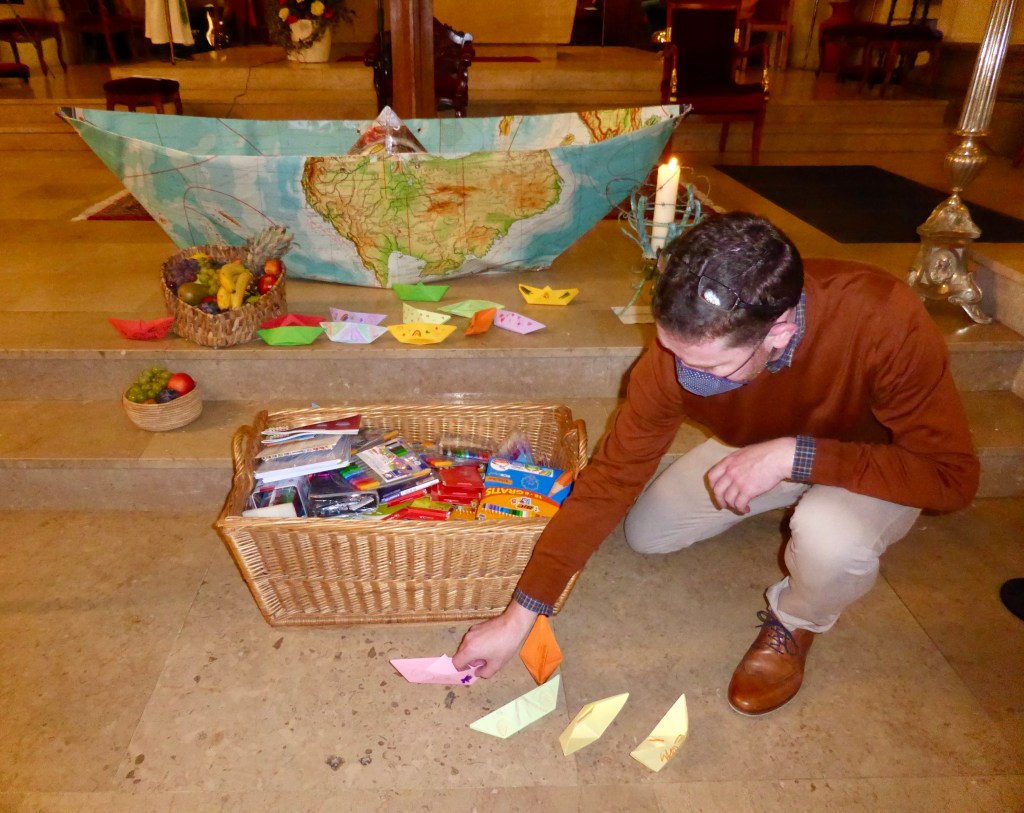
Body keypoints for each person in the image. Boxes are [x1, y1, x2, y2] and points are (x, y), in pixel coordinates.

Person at [453, 212, 979, 715]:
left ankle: (797, 618)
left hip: (879, 460)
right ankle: (792, 487)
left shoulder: (883, 317)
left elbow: (952, 479)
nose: (683, 375)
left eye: (710, 366)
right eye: (673, 352)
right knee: (649, 533)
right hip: (768, 442)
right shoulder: (685, 343)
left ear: (778, 331)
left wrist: (797, 457)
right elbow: (612, 478)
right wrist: (519, 617)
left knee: (828, 537)